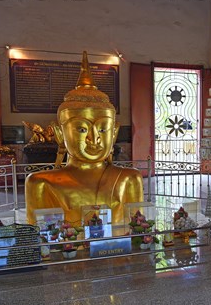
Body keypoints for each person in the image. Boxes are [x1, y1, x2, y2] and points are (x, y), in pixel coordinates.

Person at [25, 52, 143, 226]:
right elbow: (40, 241)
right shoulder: (41, 183)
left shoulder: (129, 178)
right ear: (59, 133)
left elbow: (138, 230)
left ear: (114, 133)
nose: (93, 139)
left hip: (116, 251)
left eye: (103, 129)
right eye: (81, 129)